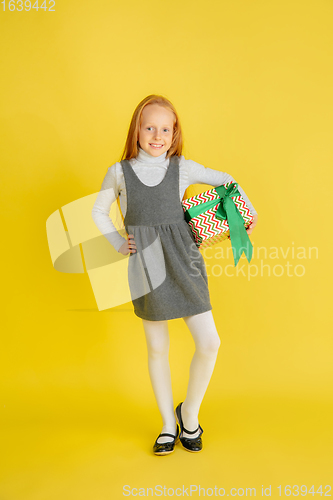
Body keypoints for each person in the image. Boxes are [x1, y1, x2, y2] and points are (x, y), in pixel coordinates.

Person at [91, 94, 258, 455]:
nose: (157, 135)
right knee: (156, 348)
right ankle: (168, 424)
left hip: (185, 260)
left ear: (174, 132)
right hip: (146, 267)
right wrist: (119, 243)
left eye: (165, 129)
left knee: (209, 342)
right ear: (136, 129)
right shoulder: (119, 172)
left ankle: (189, 414)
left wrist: (246, 210)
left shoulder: (181, 166)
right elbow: (98, 212)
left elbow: (226, 180)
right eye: (149, 127)